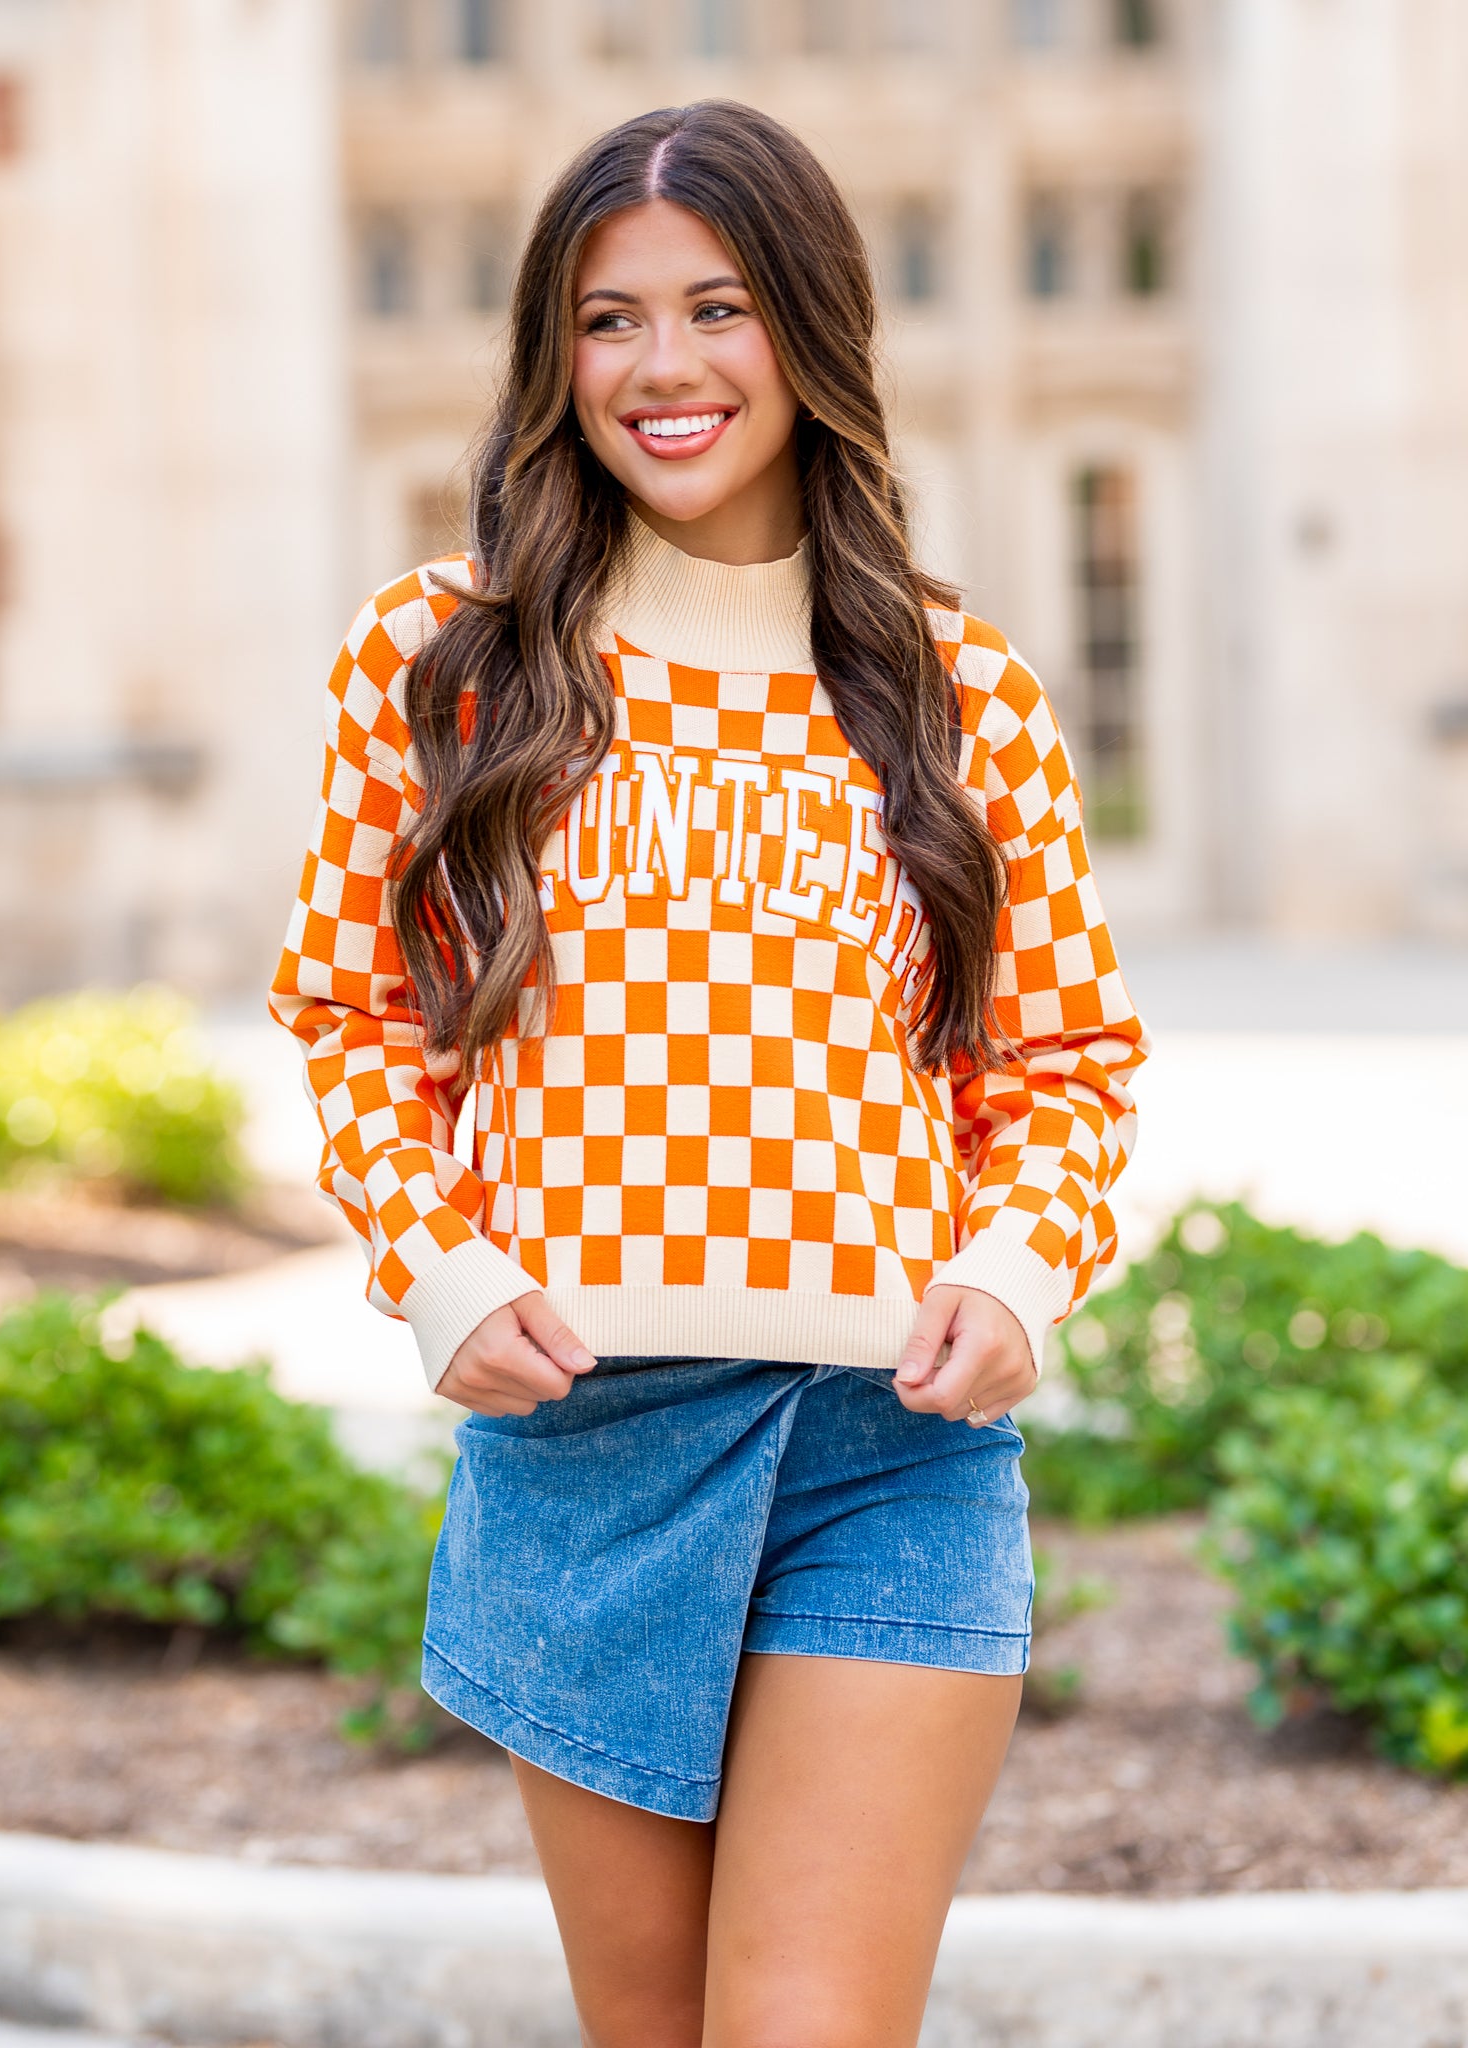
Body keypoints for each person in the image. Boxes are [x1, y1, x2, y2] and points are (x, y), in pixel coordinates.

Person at [270, 98, 1147, 2048]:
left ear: (812, 329)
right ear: (554, 355)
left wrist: (1018, 1270)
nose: (662, 367)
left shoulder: (960, 689)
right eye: (610, 320)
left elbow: (1068, 1062)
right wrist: (437, 1264)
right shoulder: (447, 657)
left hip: (884, 1446)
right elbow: (352, 1014)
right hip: (589, 1433)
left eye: (718, 308)